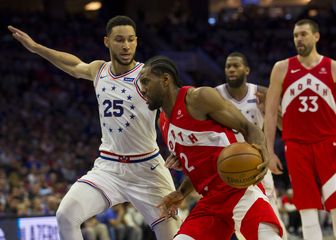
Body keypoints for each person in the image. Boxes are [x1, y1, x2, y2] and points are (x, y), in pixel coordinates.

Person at [8, 16, 180, 240]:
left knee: (175, 237)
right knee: (66, 215)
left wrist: (179, 146)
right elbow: (72, 65)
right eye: (119, 40)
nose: (126, 46)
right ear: (107, 41)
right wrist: (35, 48)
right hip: (109, 168)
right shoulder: (99, 70)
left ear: (137, 41)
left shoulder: (147, 76)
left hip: (148, 170)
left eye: (130, 40)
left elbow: (175, 110)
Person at [139, 55, 283, 240]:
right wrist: (181, 193)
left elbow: (248, 127)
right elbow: (197, 168)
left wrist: (263, 151)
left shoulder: (199, 98)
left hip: (238, 189)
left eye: (146, 81)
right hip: (210, 202)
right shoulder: (163, 122)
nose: (142, 89)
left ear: (165, 80)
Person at [264, 19, 336, 240]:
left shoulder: (332, 67)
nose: (299, 39)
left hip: (329, 142)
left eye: (304, 34)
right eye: (296, 35)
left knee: (335, 203)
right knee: (306, 207)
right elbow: (270, 112)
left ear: (316, 36)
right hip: (295, 145)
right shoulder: (282, 68)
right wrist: (269, 151)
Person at [216, 52, 287, 239]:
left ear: (246, 70)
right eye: (228, 66)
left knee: (271, 216)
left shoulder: (261, 92)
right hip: (229, 165)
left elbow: (283, 126)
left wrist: (269, 110)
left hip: (257, 163)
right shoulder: (215, 95)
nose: (231, 69)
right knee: (238, 220)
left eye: (236, 66)